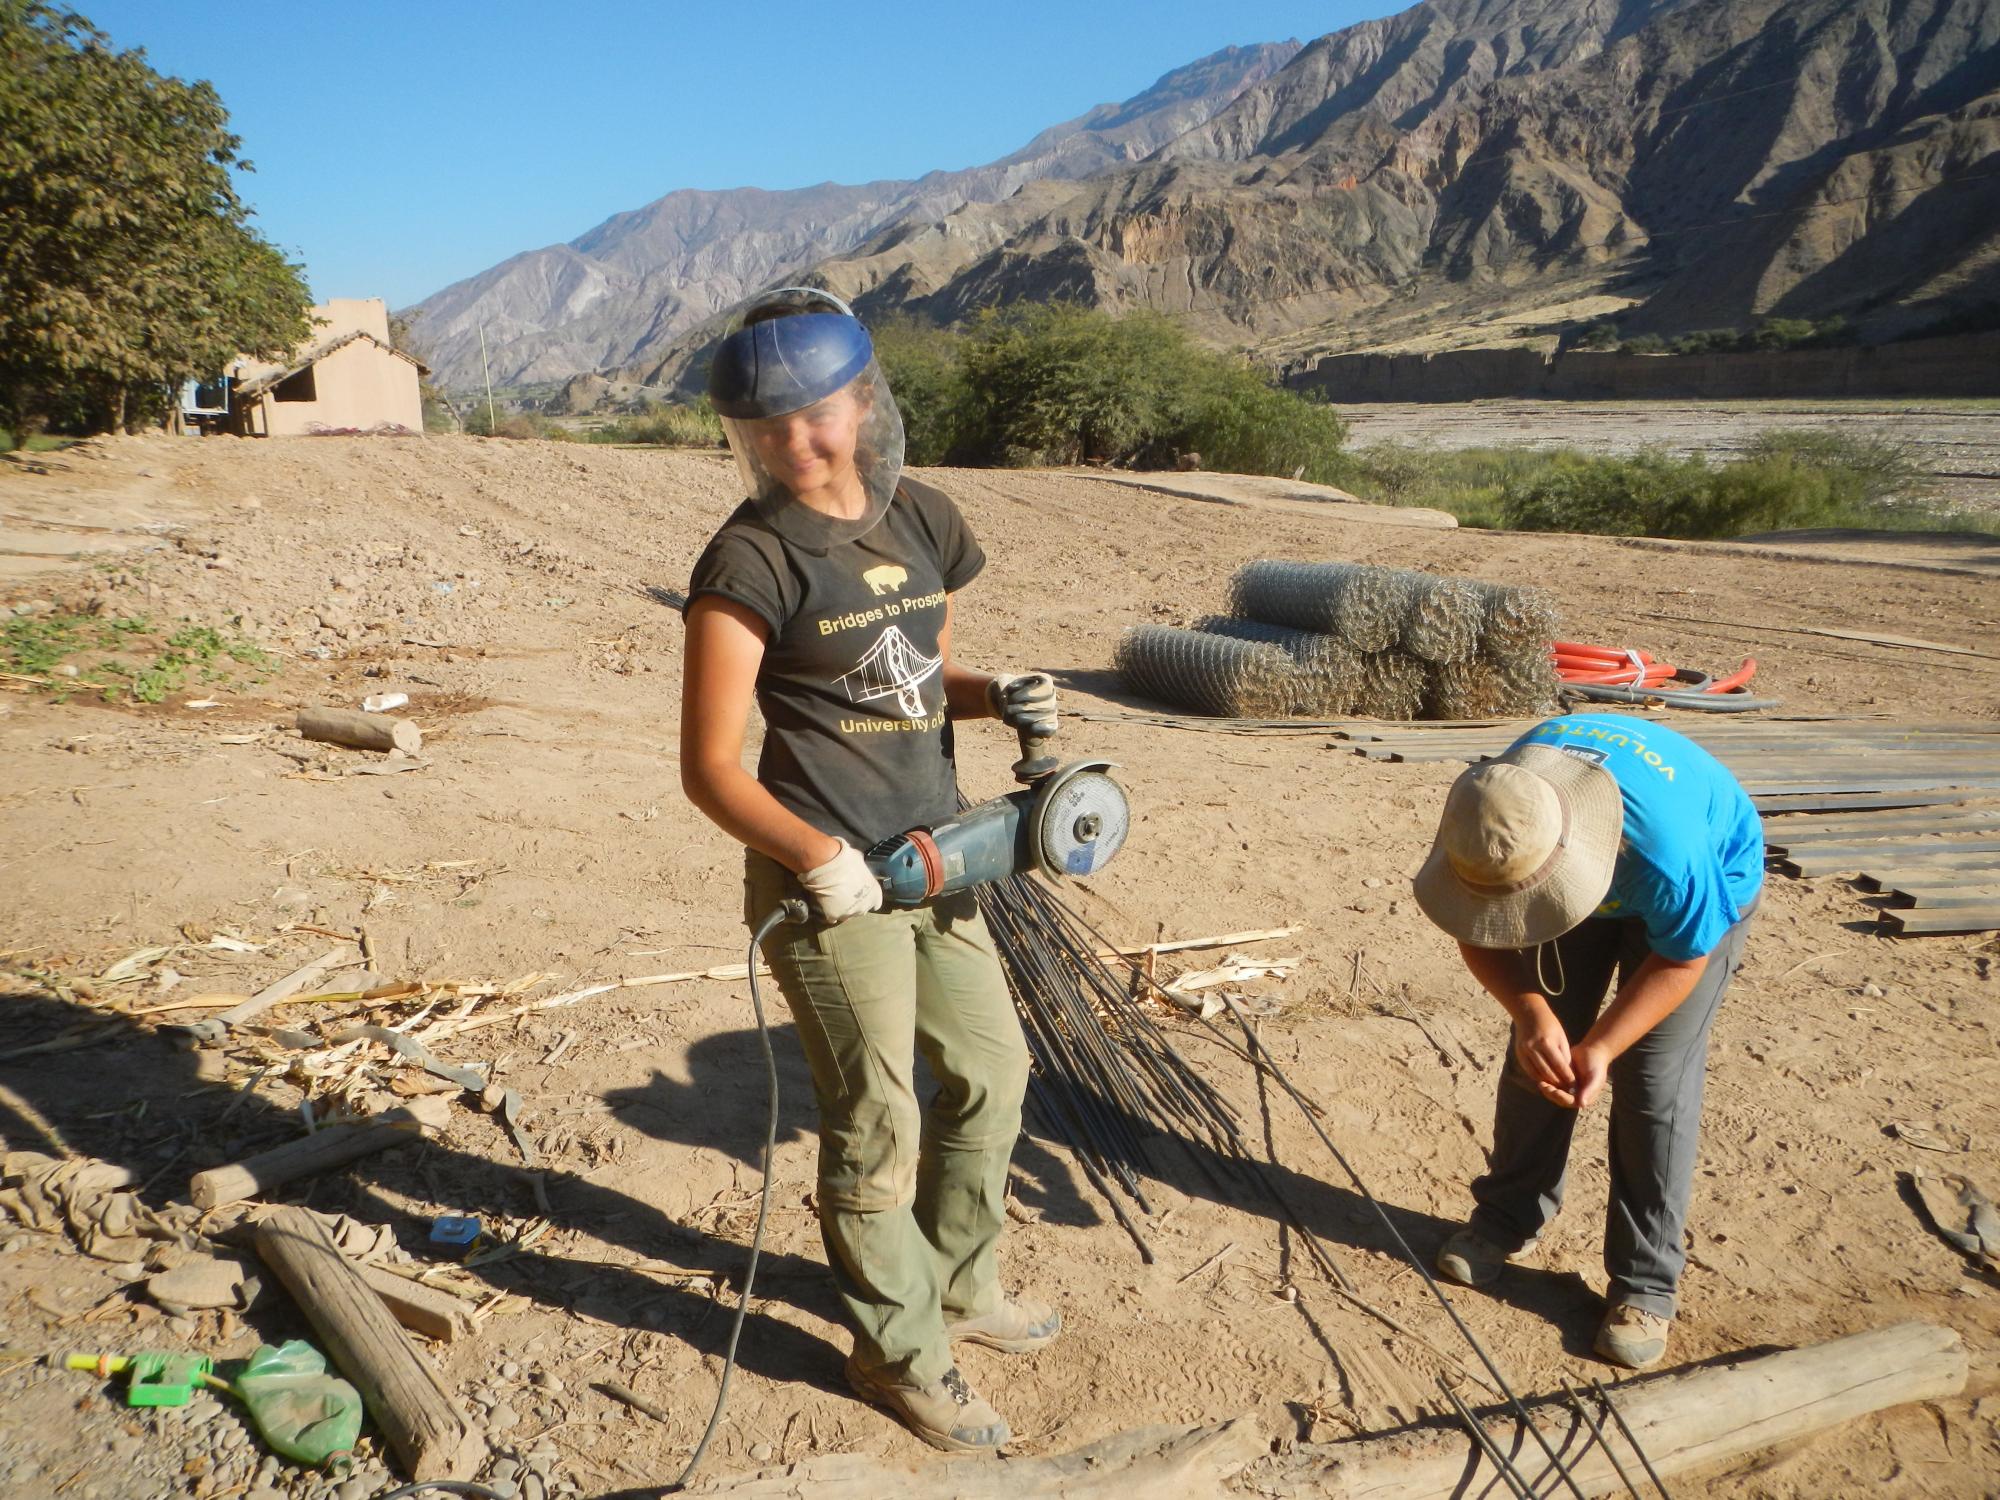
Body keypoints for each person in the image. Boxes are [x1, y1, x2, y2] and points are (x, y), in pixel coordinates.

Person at [678, 288, 1059, 1452]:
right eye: (768, 428)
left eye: (816, 413)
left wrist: (996, 694)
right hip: (827, 887)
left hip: (936, 860)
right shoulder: (746, 561)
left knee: (994, 1077)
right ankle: (897, 1355)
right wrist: (815, 859)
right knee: (875, 1118)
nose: (798, 443)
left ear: (862, 400)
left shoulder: (925, 520)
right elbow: (708, 767)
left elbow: (911, 675)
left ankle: (957, 1287)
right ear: (744, 437)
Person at [1411, 712, 1763, 1369]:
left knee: (1651, 1085)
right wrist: (1531, 1014)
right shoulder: (1491, 807)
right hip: (1589, 873)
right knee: (1538, 1058)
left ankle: (1645, 1285)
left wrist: (1601, 1047)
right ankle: (1506, 1217)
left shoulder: (1672, 855)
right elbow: (1473, 920)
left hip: (1696, 889)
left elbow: (1681, 961)